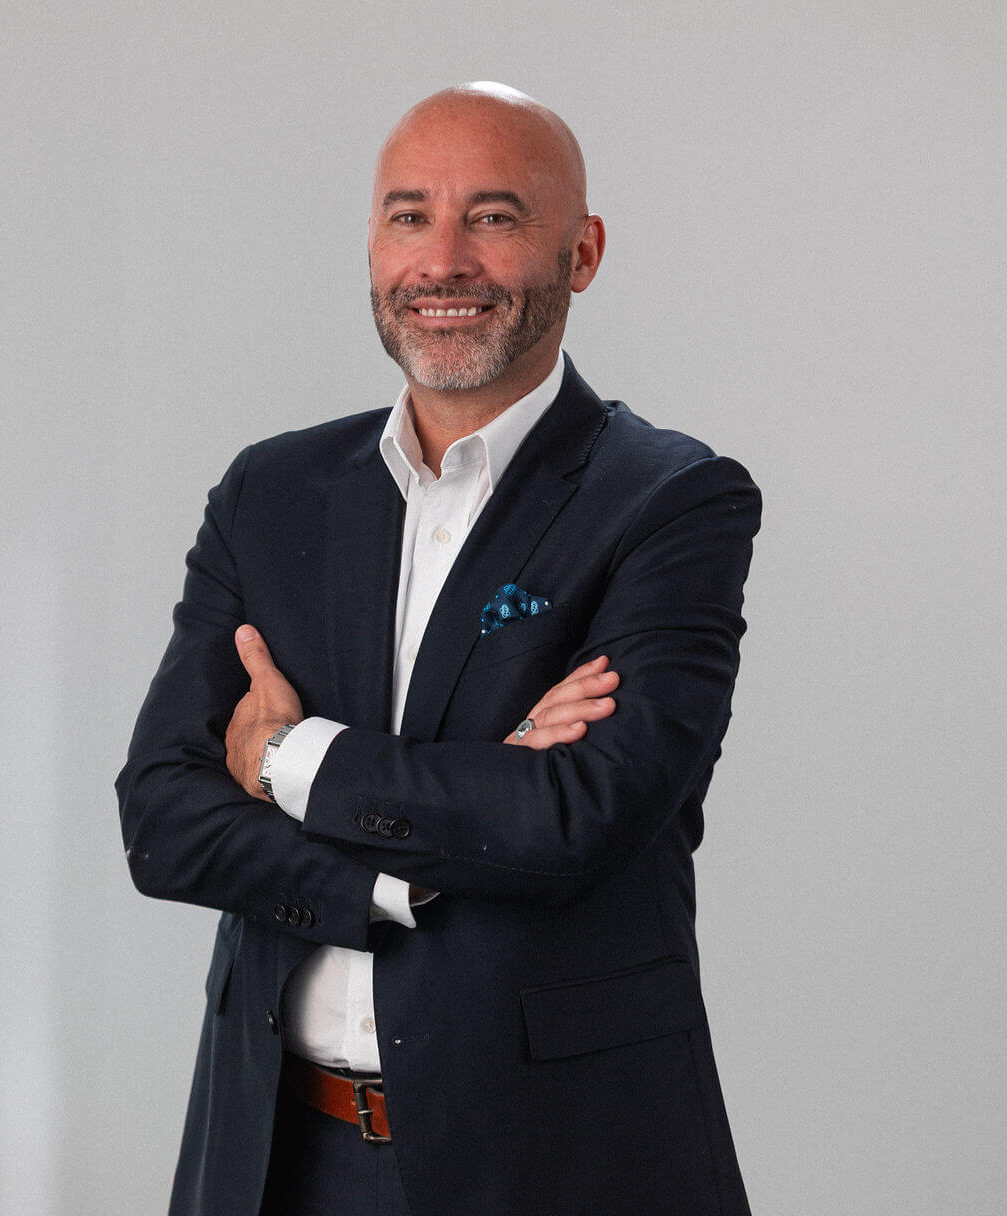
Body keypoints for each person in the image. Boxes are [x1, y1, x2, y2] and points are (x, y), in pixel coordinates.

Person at [117, 81, 761, 1216]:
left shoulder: (670, 500)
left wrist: (285, 763)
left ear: (583, 250)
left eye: (495, 216)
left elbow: (578, 819)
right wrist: (408, 862)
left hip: (558, 1158)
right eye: (409, 215)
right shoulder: (271, 491)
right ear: (373, 242)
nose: (443, 258)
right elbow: (163, 818)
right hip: (277, 1150)